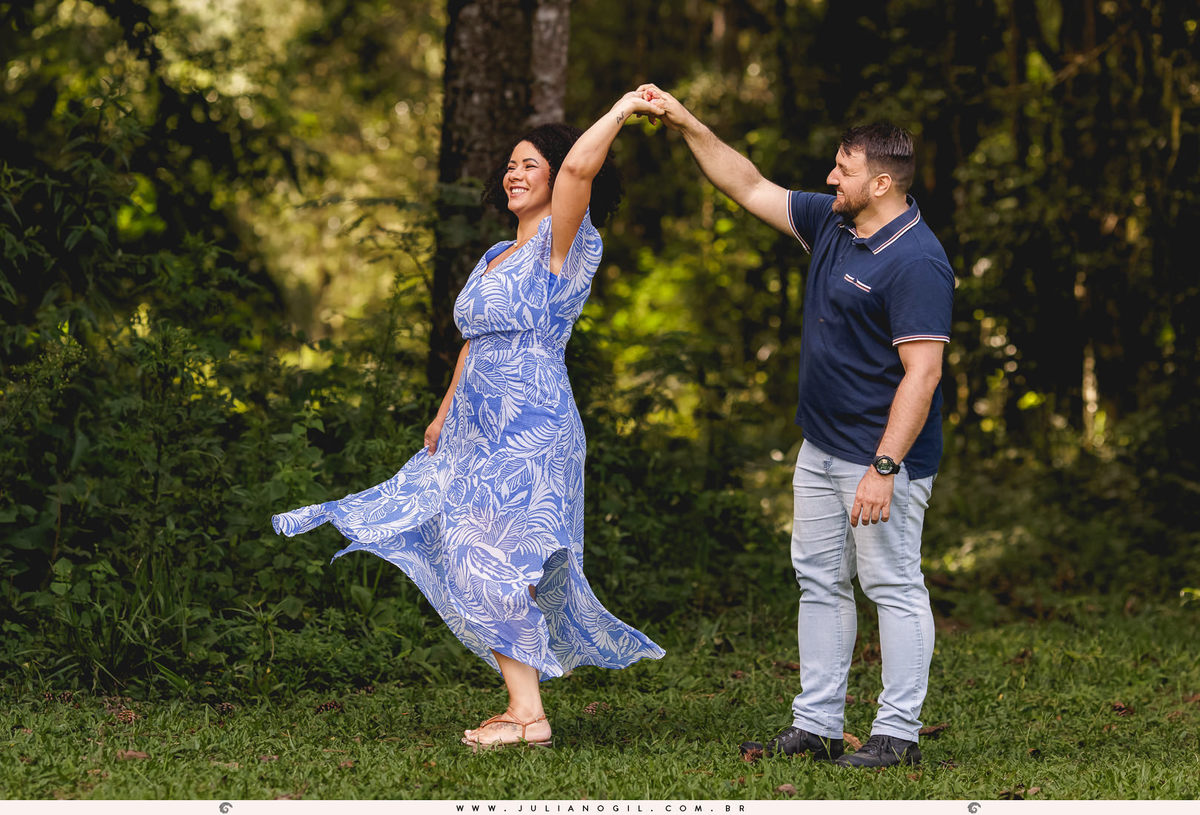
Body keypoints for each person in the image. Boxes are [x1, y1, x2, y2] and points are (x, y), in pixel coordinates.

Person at [272, 91, 668, 750]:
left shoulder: (562, 242)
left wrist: (625, 107)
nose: (515, 173)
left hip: (534, 423)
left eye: (530, 165)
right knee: (467, 552)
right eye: (510, 165)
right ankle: (523, 709)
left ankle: (527, 714)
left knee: (498, 560)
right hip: (474, 429)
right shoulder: (493, 257)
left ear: (556, 174)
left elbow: (578, 172)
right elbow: (473, 342)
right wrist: (443, 413)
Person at [639, 84, 953, 769]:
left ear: (878, 182)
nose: (827, 178)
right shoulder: (835, 222)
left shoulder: (917, 261)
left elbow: (922, 376)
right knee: (819, 579)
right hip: (821, 446)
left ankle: (896, 733)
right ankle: (815, 722)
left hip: (881, 461)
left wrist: (885, 467)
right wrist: (686, 121)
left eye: (841, 170)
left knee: (892, 583)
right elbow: (747, 184)